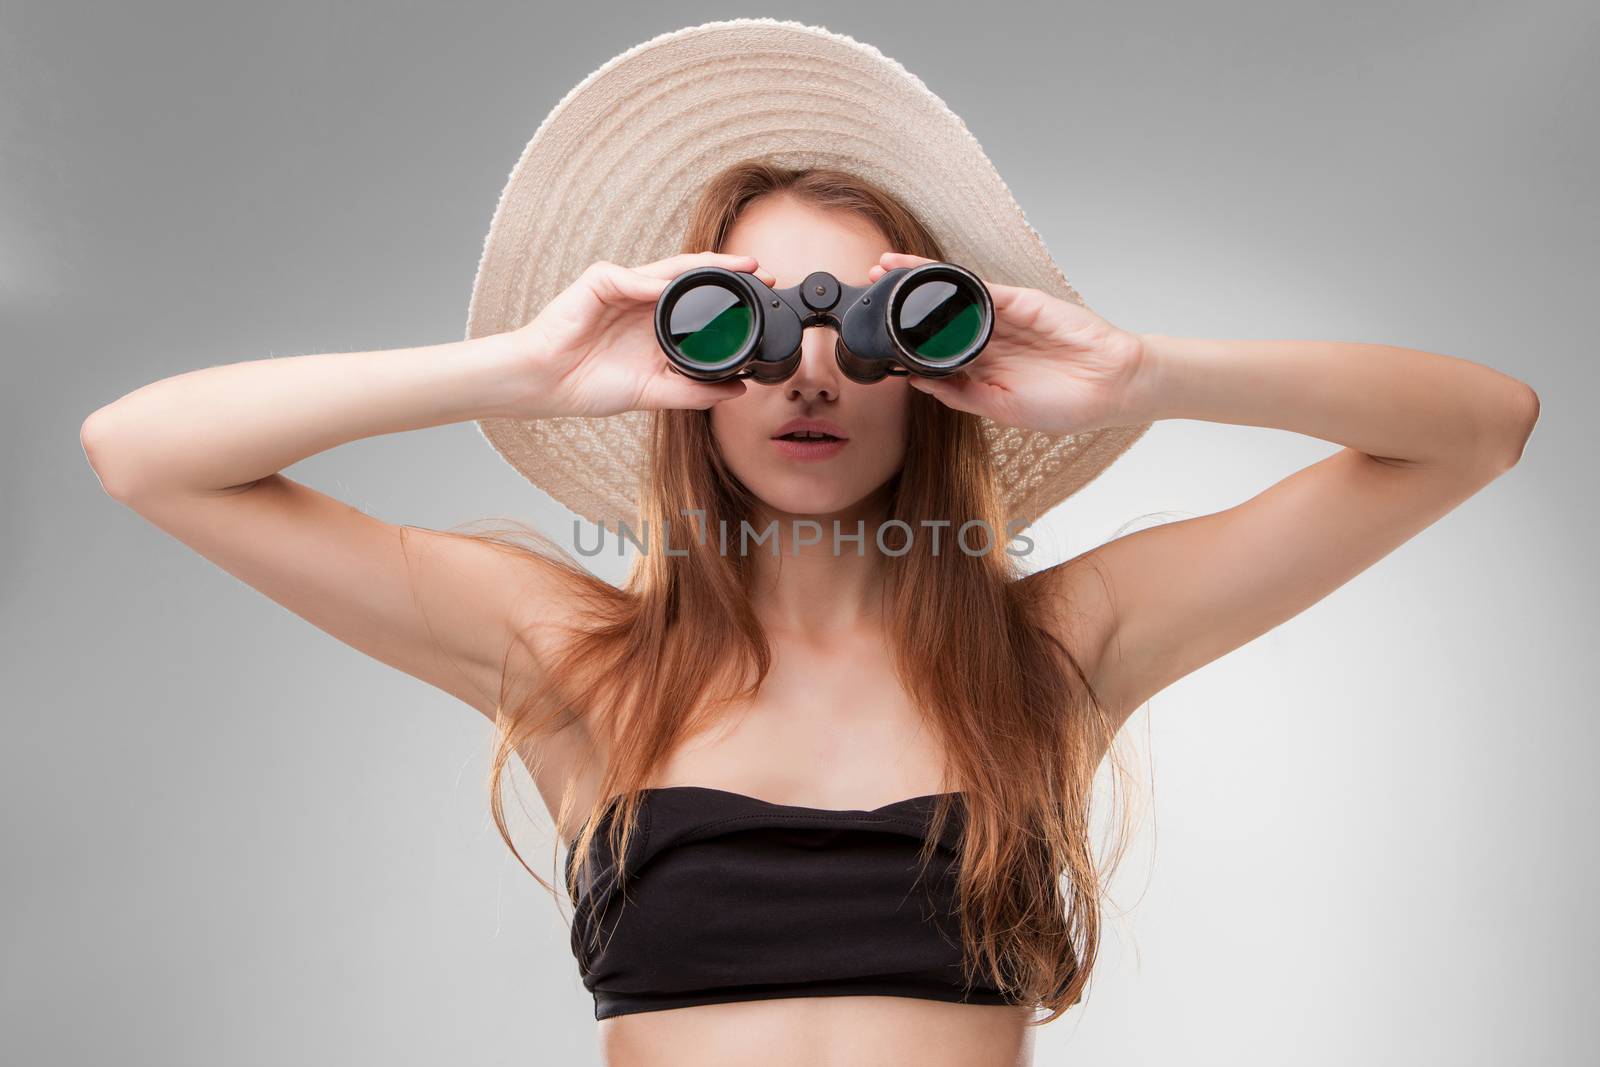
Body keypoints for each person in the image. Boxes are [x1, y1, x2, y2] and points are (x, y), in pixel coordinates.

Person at [78, 20, 1540, 1067]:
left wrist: (1143, 374)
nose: (808, 371)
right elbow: (143, 454)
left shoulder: (1059, 652)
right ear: (689, 379)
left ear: (933, 365)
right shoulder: (576, 656)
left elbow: (1478, 428)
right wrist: (517, 371)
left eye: (861, 324)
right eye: (749, 324)